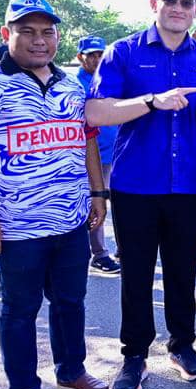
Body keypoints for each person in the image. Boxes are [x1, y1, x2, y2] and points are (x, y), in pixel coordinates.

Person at [0, 0, 110, 389]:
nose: (40, 40)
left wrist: (98, 194)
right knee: (20, 310)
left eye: (47, 32)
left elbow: (87, 141)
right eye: (27, 31)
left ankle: (71, 371)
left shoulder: (71, 85)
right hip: (14, 226)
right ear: (8, 34)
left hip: (71, 219)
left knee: (70, 301)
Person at [86, 0, 196, 389]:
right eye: (169, 0)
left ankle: (182, 346)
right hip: (136, 184)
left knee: (183, 270)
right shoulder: (123, 52)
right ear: (153, 3)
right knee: (137, 274)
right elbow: (97, 112)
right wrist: (150, 102)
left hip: (188, 185)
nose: (177, 8)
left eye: (186, 2)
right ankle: (134, 356)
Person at [75, 36, 120, 275]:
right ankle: (99, 254)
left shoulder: (109, 77)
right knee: (95, 201)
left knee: (119, 202)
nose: (96, 59)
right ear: (80, 57)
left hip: (115, 154)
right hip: (91, 156)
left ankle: (122, 248)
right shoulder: (77, 85)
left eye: (100, 54)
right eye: (90, 55)